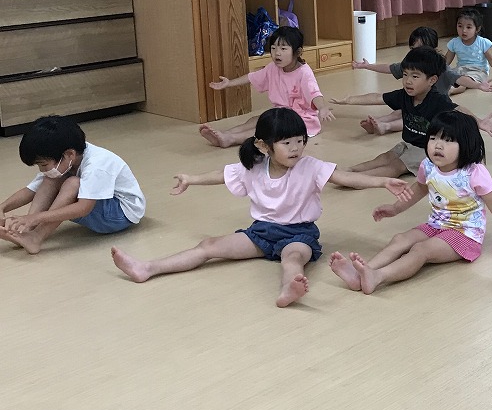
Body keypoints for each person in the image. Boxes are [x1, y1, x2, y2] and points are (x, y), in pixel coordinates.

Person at [110, 108, 410, 308]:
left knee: (292, 258)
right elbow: (221, 174)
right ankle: (147, 268)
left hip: (300, 234)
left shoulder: (309, 166)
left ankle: (288, 289)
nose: (296, 148)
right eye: (287, 143)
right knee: (208, 246)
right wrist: (191, 178)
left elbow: (345, 177)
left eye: (300, 141)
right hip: (260, 233)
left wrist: (383, 182)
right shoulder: (254, 167)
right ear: (264, 146)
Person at [329, 111, 492, 294]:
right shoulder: (428, 166)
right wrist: (395, 209)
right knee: (400, 239)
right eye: (433, 138)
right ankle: (362, 273)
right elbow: (420, 189)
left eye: (448, 140)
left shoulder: (474, 172)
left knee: (421, 250)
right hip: (436, 225)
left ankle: (378, 277)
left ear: (466, 144)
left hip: (465, 234)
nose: (438, 145)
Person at [332, 47, 492, 178]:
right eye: (405, 75)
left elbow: (459, 109)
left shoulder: (437, 100)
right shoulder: (404, 95)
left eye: (415, 77)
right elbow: (377, 97)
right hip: (409, 143)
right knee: (384, 157)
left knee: (396, 167)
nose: (408, 81)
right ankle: (349, 170)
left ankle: (355, 178)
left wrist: (479, 122)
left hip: (426, 150)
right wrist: (350, 100)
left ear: (432, 80)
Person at [1, 115, 146, 254]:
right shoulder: (69, 157)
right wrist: (3, 207)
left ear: (69, 154)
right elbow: (31, 190)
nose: (41, 169)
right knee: (51, 178)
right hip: (101, 206)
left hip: (121, 214)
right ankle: (26, 231)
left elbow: (83, 208)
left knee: (72, 183)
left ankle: (36, 238)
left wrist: (37, 217)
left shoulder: (97, 165)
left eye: (43, 164)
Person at [199, 26, 334, 147]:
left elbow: (314, 93)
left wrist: (322, 108)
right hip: (279, 114)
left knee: (268, 128)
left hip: (300, 122)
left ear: (297, 52)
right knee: (257, 120)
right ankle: (225, 134)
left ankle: (230, 139)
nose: (277, 53)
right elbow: (252, 77)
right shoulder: (273, 68)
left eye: (283, 49)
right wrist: (229, 83)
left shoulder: (304, 73)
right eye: (273, 48)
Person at [352, 26, 470, 95]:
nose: (416, 53)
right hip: (419, 98)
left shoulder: (440, 65)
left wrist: (477, 85)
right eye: (413, 49)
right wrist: (368, 66)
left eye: (421, 49)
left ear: (432, 49)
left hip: (436, 99)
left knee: (456, 87)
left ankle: (451, 90)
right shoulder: (412, 62)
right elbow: (391, 68)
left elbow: (458, 79)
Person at [446, 6, 492, 93]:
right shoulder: (454, 43)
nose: (464, 30)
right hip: (460, 69)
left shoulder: (482, 43)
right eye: (460, 26)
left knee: (463, 82)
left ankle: (450, 91)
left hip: (478, 71)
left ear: (477, 29)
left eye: (468, 27)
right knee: (448, 76)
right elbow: (445, 62)